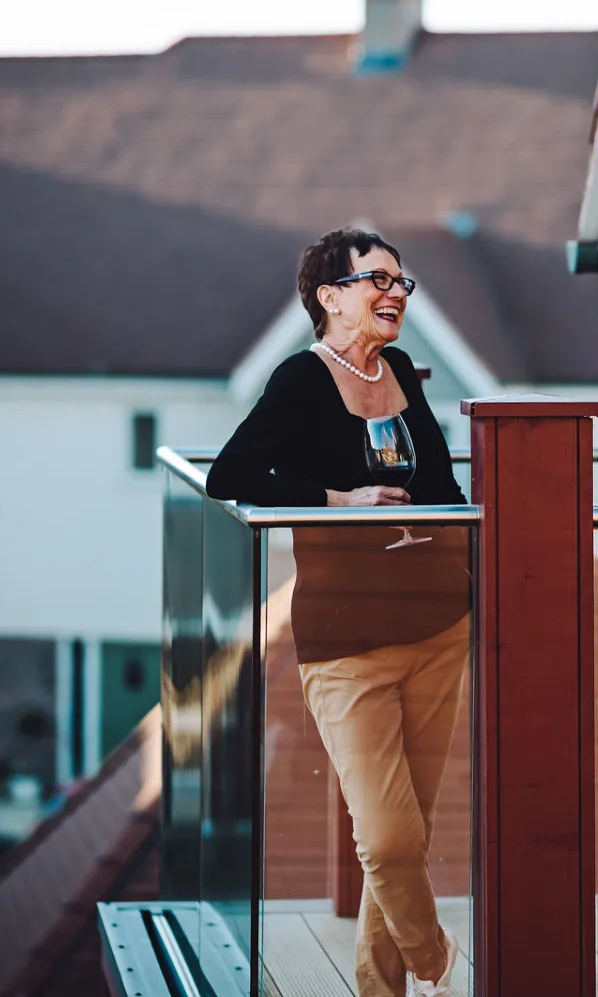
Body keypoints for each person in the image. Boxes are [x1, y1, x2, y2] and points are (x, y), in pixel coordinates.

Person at [207, 227, 468, 997]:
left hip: (439, 628)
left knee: (410, 835)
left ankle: (379, 989)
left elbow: (446, 492)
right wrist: (337, 500)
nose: (396, 295)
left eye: (402, 284)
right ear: (330, 296)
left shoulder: (403, 379)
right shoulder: (300, 380)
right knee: (387, 840)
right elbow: (232, 475)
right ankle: (434, 957)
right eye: (378, 281)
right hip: (345, 642)